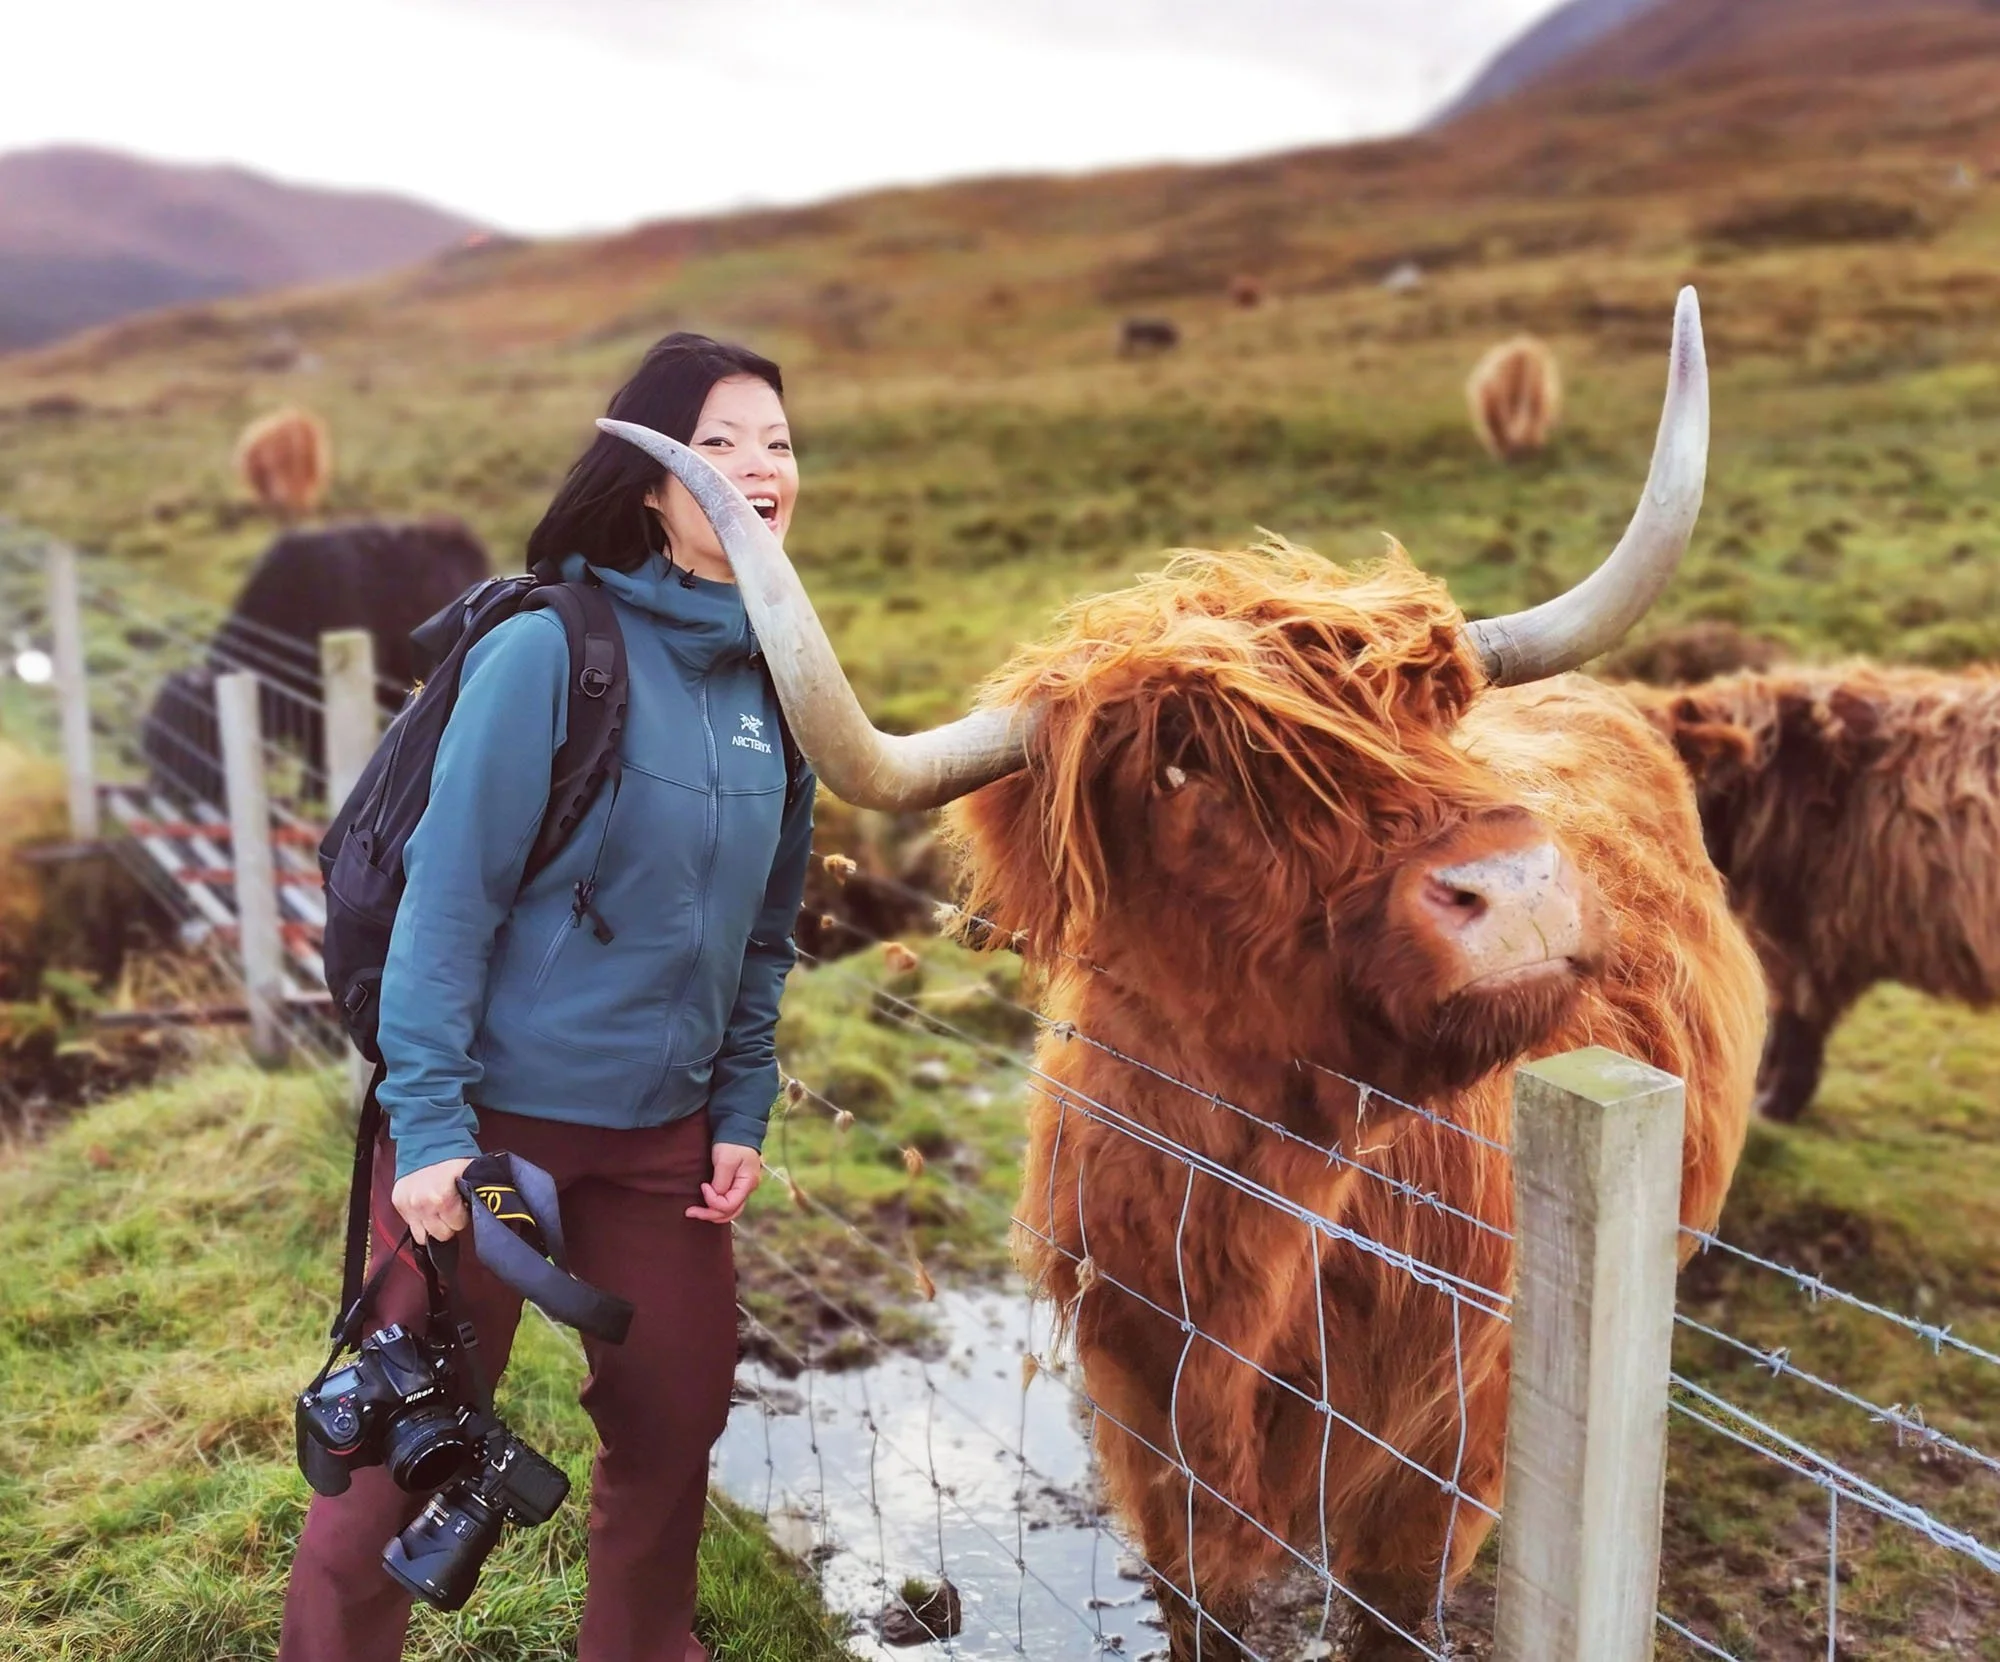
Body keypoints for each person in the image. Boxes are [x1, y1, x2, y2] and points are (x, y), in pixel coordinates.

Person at [280, 333, 815, 1662]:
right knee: (396, 1461)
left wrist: (740, 1105)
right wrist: (433, 1128)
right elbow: (447, 904)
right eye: (722, 442)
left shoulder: (785, 682)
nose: (759, 467)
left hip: (664, 1150)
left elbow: (764, 935)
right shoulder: (550, 650)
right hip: (495, 1137)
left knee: (675, 1421)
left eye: (780, 443)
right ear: (648, 479)